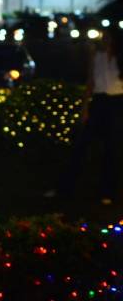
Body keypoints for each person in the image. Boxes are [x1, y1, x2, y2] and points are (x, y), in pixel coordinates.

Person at [47, 24, 123, 205]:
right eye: (103, 37)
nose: (105, 41)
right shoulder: (97, 57)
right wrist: (85, 108)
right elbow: (90, 82)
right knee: (81, 146)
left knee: (111, 149)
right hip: (99, 101)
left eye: (108, 37)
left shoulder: (120, 58)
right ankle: (64, 188)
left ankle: (107, 192)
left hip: (117, 102)